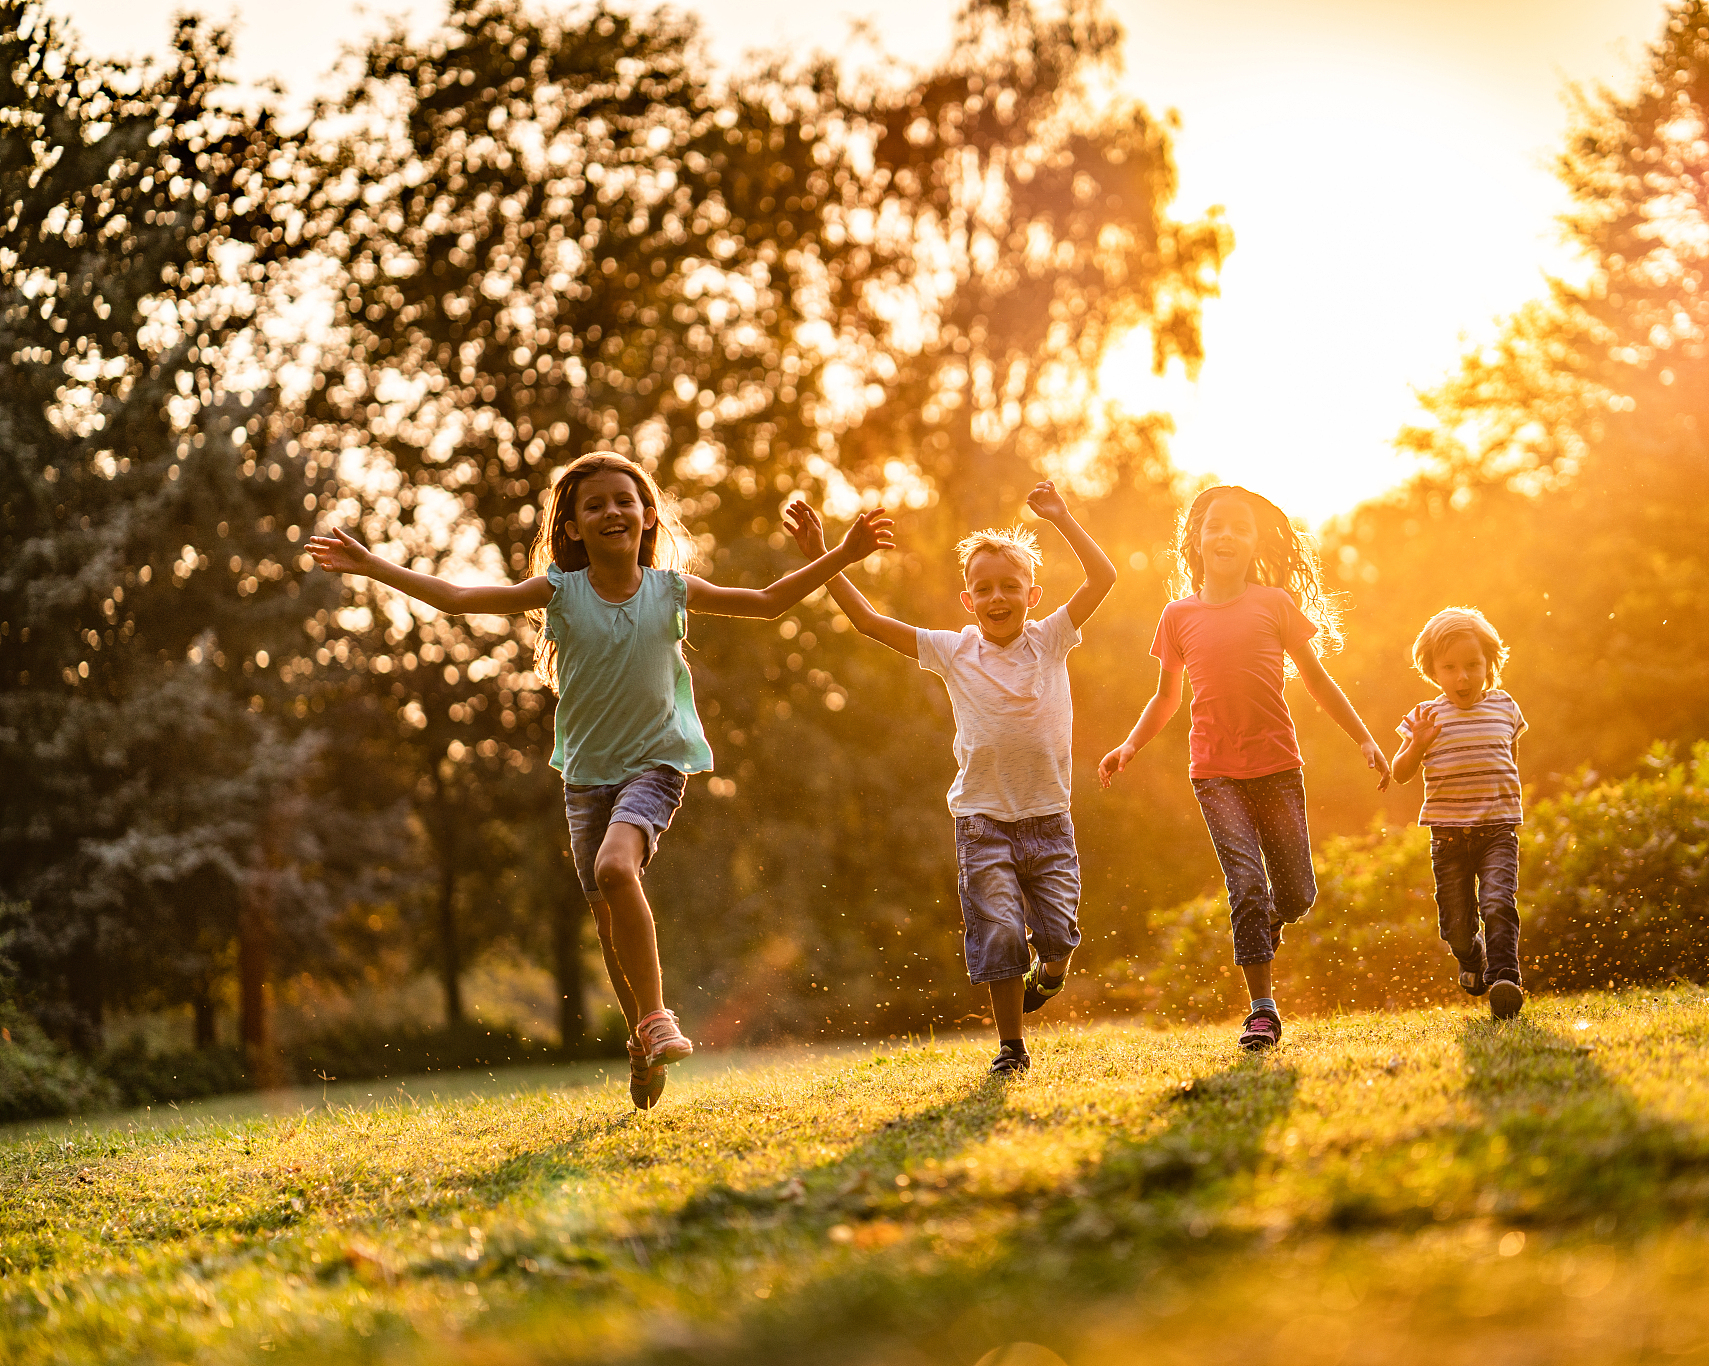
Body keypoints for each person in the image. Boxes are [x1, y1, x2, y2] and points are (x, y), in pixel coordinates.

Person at [309, 452, 892, 1108]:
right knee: (610, 924)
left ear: (647, 516)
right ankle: (642, 1038)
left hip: (656, 764)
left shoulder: (669, 590)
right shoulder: (560, 591)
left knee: (618, 871)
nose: (612, 510)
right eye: (594, 505)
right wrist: (371, 564)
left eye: (625, 500)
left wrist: (839, 554)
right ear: (574, 527)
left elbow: (765, 602)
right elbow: (460, 597)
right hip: (585, 781)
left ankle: (656, 1019)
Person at [789, 481, 1114, 1075]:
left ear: (1032, 595)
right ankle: (1011, 1048)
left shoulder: (1051, 639)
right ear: (967, 599)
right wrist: (823, 556)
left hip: (1048, 817)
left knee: (1060, 935)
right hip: (982, 820)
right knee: (999, 934)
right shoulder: (953, 649)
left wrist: (1063, 518)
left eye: (1010, 587)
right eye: (984, 588)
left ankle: (1056, 969)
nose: (997, 597)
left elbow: (1104, 577)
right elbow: (867, 621)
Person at [1097, 485, 1389, 1052]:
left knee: (1298, 895)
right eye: (1215, 526)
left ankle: (1264, 924)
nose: (1226, 535)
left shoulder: (1274, 605)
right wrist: (1129, 746)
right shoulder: (1177, 615)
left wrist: (1365, 739)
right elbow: (1166, 698)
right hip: (1214, 772)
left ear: (1256, 542)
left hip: (1278, 768)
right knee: (1246, 885)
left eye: (1239, 527)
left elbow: (1319, 680)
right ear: (1196, 541)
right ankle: (1262, 1011)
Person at [1389, 606, 1528, 1022]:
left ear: (1489, 664)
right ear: (1431, 669)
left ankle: (1506, 978)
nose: (1462, 678)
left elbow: (1510, 758)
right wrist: (1418, 744)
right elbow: (1399, 773)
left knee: (1499, 902)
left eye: (1472, 665)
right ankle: (1473, 958)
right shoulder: (1424, 716)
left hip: (1497, 831)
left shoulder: (1505, 707)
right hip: (1448, 838)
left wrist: (1508, 805)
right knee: (1455, 925)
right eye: (1449, 668)